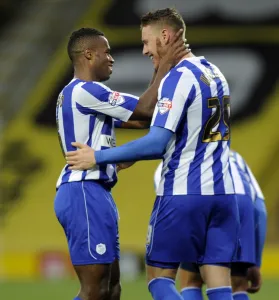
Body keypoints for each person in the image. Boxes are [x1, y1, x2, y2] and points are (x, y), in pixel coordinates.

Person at [65, 8, 239, 300]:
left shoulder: (178, 78)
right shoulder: (214, 71)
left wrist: (97, 157)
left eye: (147, 42)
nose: (145, 50)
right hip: (225, 195)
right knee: (218, 281)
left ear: (166, 36)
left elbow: (157, 142)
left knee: (159, 279)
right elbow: (190, 133)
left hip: (185, 194)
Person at [54, 27, 188, 300]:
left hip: (94, 192)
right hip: (84, 191)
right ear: (89, 55)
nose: (111, 58)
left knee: (112, 289)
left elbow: (141, 119)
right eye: (107, 52)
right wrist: (164, 63)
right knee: (95, 290)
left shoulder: (79, 95)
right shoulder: (86, 91)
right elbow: (146, 109)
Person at [154, 150, 266, 300]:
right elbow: (259, 209)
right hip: (241, 201)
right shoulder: (234, 156)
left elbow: (171, 210)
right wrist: (256, 261)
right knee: (238, 283)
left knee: (191, 280)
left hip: (193, 199)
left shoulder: (168, 161)